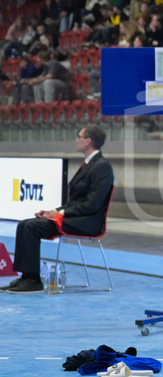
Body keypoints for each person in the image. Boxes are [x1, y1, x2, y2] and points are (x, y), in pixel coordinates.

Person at [3, 125, 115, 294]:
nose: (76, 140)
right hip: (75, 217)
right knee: (24, 224)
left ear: (88, 141)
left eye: (79, 136)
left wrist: (61, 214)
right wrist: (53, 211)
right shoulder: (89, 164)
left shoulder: (102, 167)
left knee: (31, 228)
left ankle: (33, 280)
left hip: (87, 222)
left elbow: (92, 204)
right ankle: (26, 276)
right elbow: (75, 202)